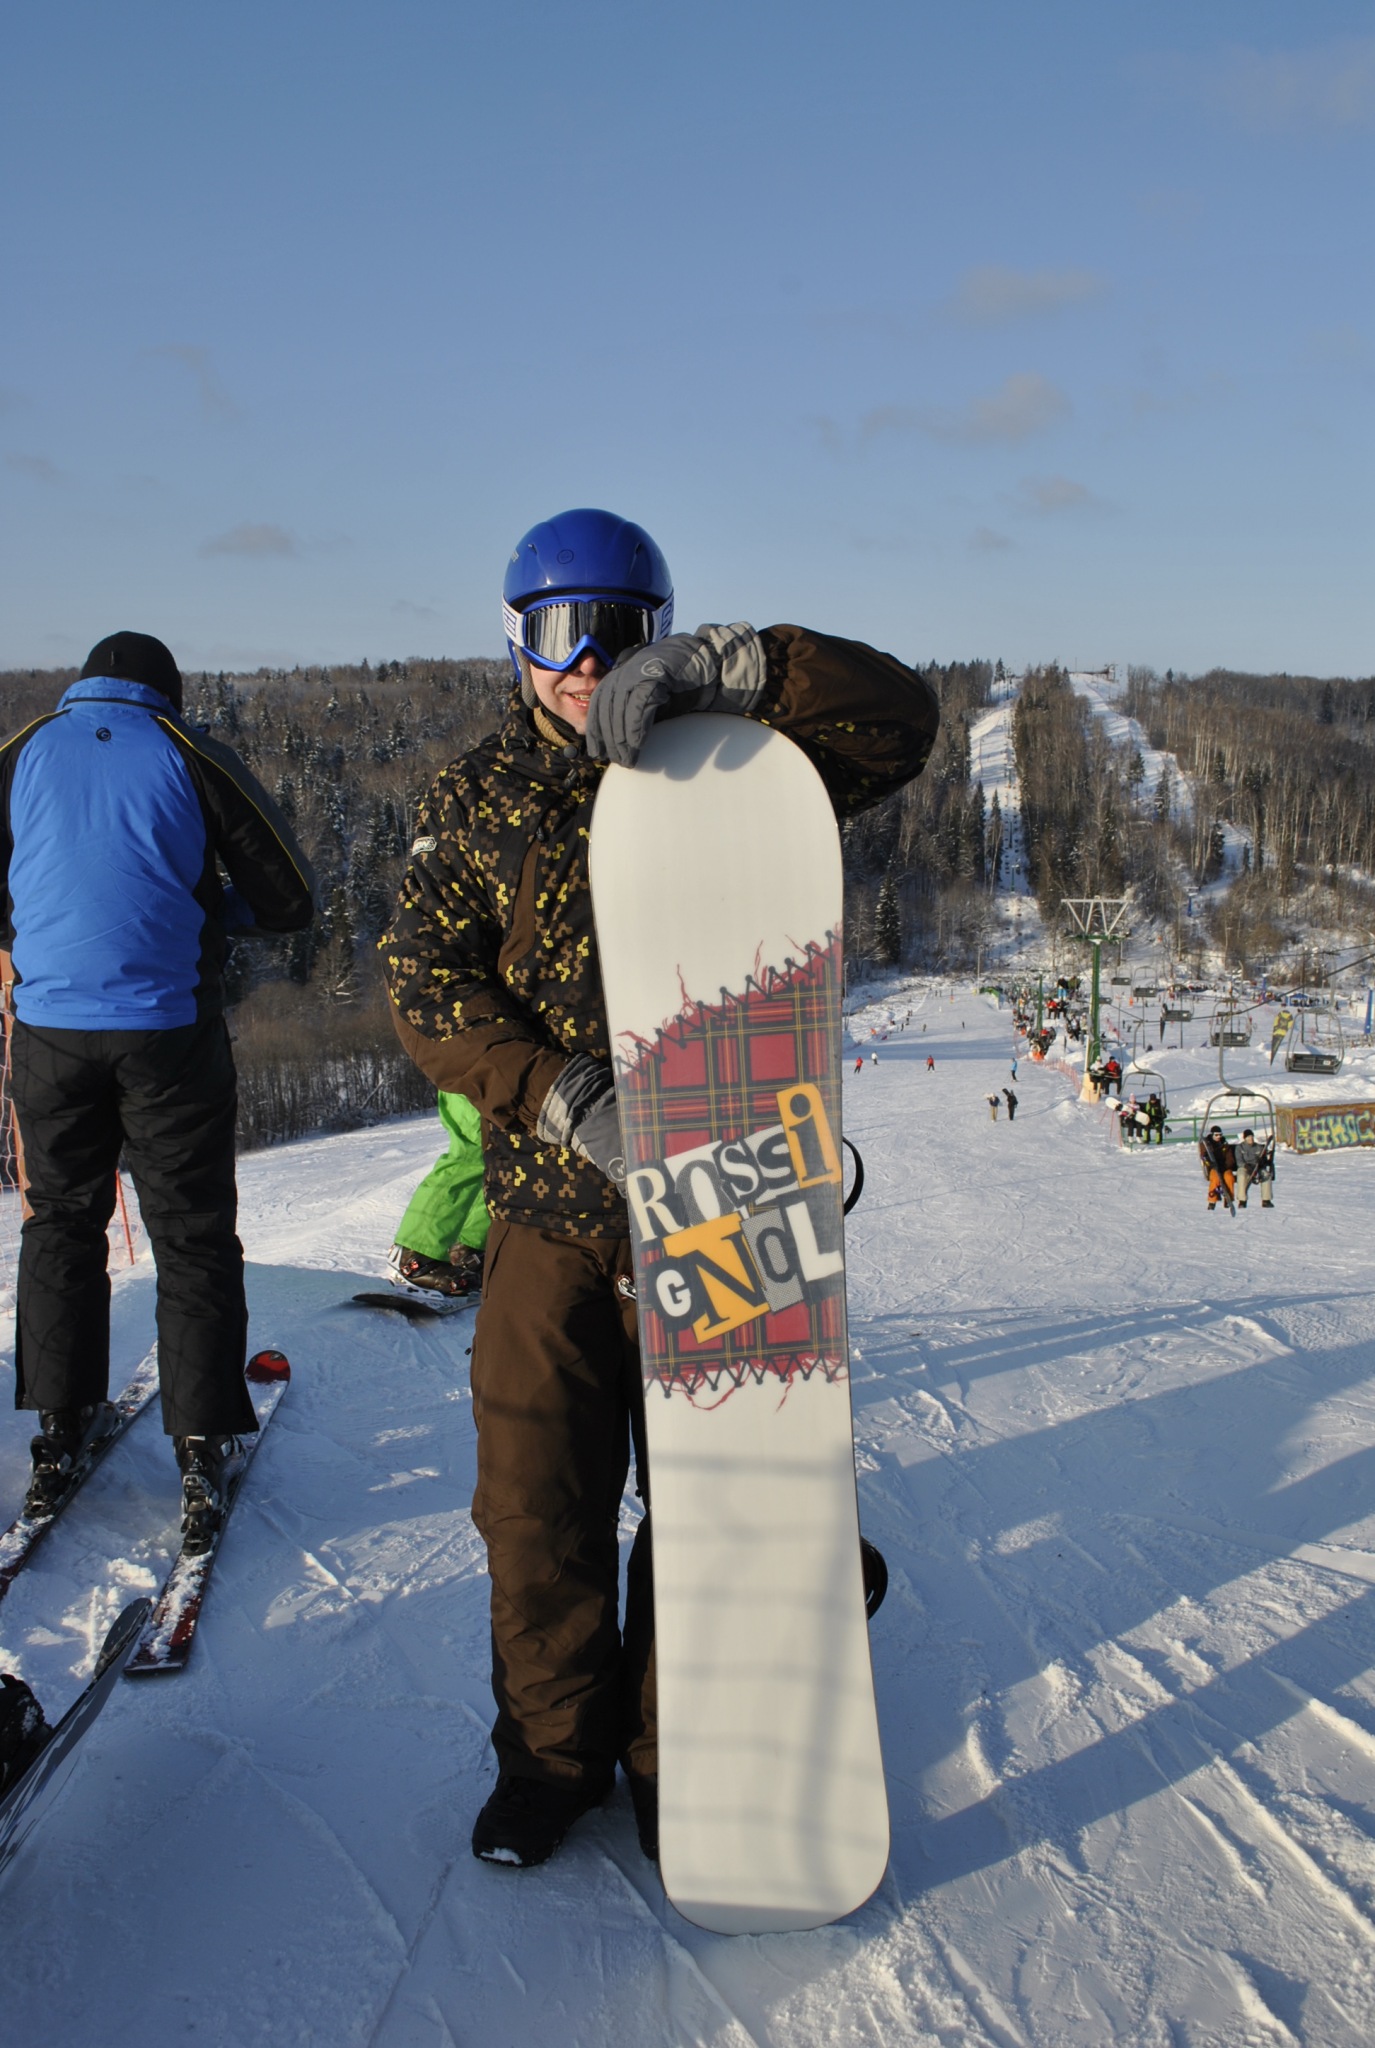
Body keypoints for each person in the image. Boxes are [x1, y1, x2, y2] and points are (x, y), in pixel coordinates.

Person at [380, 507, 939, 1871]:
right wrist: (557, 1093)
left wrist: (743, 673)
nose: (586, 661)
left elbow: (900, 725)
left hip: (727, 1197)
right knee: (537, 1505)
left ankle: (678, 1752)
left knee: (723, 1497)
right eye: (558, 630)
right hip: (551, 1208)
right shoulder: (474, 798)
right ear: (515, 642)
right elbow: (427, 988)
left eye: (617, 629)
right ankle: (551, 1759)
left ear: (658, 631)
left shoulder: (738, 761)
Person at [0, 632, 314, 1550]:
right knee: (191, 1232)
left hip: (50, 1031)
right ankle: (201, 1443)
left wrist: (28, 929)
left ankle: (59, 1428)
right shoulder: (188, 750)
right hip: (168, 1032)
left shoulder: (23, 749)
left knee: (60, 1222)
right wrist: (207, 905)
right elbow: (290, 897)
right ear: (166, 696)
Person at [389, 1091, 489, 1295]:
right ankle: (417, 1256)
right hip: (478, 1077)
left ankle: (468, 1250)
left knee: (506, 1159)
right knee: (473, 1151)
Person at [1234, 1127, 1275, 1209]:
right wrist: (1246, 1166)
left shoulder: (1258, 1147)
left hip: (1257, 1167)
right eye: (1248, 1137)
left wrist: (1262, 1161)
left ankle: (1266, 1200)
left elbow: (1264, 1159)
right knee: (1241, 1176)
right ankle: (1242, 1200)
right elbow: (1239, 1161)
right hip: (1245, 1167)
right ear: (1245, 1138)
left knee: (1266, 1175)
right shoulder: (1240, 1148)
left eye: (1252, 1137)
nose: (1250, 1139)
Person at [1199, 1125, 1237, 1212]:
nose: (1218, 1137)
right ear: (1212, 1134)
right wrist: (1210, 1163)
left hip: (1224, 1167)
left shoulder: (1224, 1145)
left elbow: (1230, 1158)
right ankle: (1212, 1200)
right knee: (1215, 1178)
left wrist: (1226, 1166)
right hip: (1213, 1168)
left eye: (1220, 1134)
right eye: (1216, 1135)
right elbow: (1204, 1156)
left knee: (1229, 1177)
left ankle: (1229, 1199)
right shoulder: (1207, 1144)